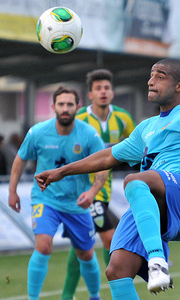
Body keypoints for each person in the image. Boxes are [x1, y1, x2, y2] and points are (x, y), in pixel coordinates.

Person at [35, 58, 180, 299]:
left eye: (160, 76)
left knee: (135, 180)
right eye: (151, 75)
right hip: (155, 202)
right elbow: (107, 156)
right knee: (117, 270)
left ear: (179, 86)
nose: (150, 81)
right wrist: (60, 172)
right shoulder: (146, 127)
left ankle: (156, 260)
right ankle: (154, 259)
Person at [8, 86, 108, 300]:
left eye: (69, 104)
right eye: (61, 104)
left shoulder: (89, 134)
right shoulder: (38, 132)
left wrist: (92, 192)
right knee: (43, 246)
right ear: (53, 107)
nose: (65, 109)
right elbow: (20, 158)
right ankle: (32, 298)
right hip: (46, 200)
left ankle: (94, 296)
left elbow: (103, 163)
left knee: (86, 254)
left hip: (77, 203)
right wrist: (12, 191)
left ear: (77, 107)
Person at [61, 69, 136, 300]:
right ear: (90, 94)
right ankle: (117, 288)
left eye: (106, 88)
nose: (103, 92)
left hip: (104, 190)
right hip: (82, 190)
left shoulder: (122, 118)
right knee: (109, 239)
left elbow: (138, 147)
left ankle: (68, 295)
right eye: (98, 88)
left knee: (81, 246)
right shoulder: (80, 118)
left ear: (112, 93)